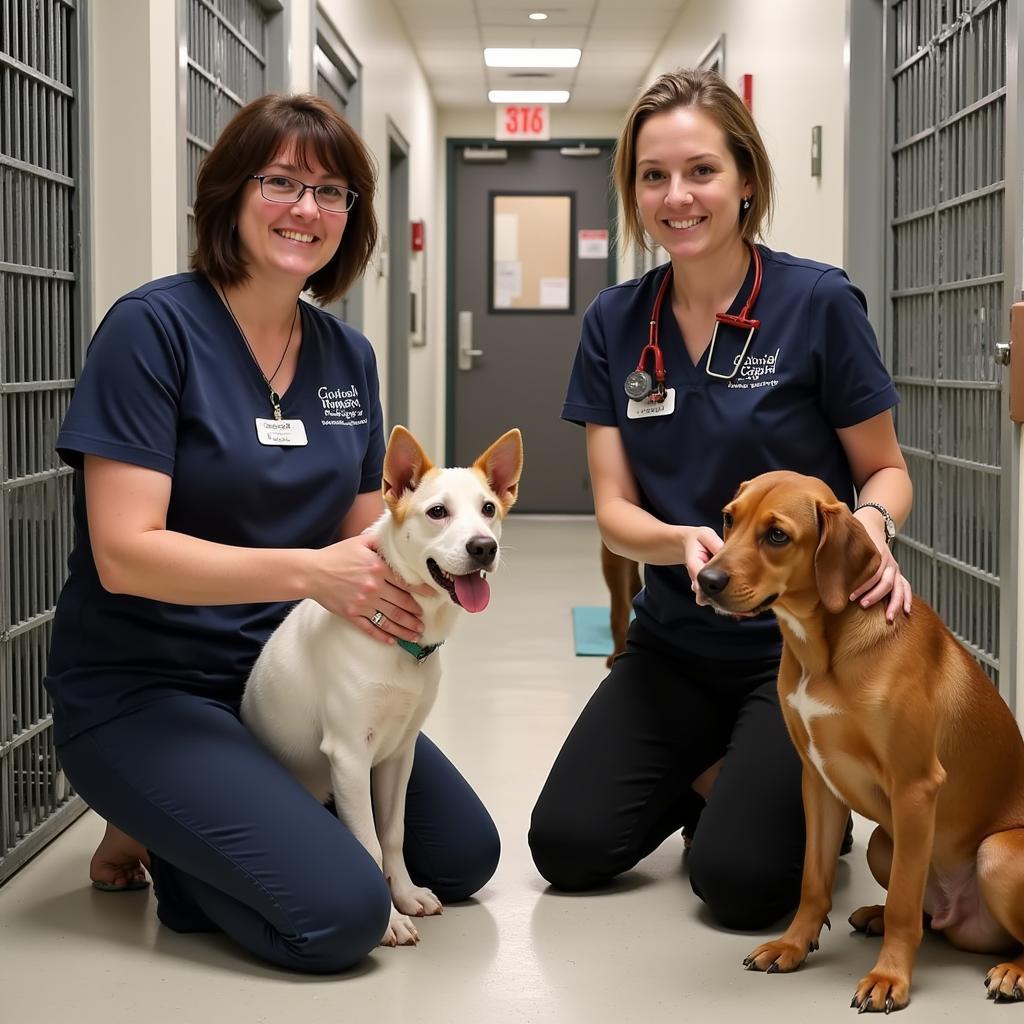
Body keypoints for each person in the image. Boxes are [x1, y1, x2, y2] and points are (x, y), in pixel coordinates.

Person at [45, 93, 499, 973]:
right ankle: (171, 847)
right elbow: (123, 550)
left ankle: (224, 819)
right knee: (338, 915)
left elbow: (369, 526)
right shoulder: (152, 330)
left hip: (294, 677)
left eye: (332, 194)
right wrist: (308, 576)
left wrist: (444, 550)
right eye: (281, 182)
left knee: (462, 856)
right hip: (152, 686)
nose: (307, 209)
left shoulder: (345, 357)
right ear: (228, 193)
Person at [529, 69, 913, 930]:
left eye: (701, 170)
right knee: (568, 846)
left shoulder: (817, 304)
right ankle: (737, 774)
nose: (678, 196)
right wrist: (677, 544)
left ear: (746, 178)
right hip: (673, 643)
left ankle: (780, 785)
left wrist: (876, 528)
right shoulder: (615, 322)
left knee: (739, 884)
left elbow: (886, 470)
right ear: (633, 190)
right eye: (653, 175)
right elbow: (614, 508)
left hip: (801, 651)